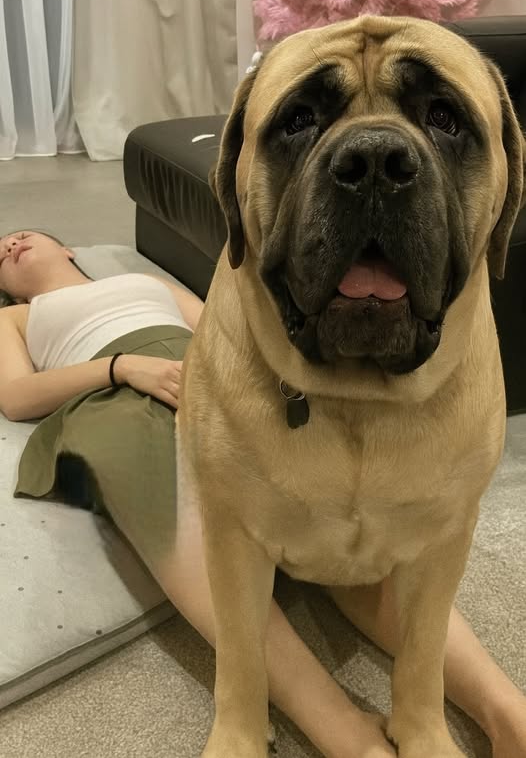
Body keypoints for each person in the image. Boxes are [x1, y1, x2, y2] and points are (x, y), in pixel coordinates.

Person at [0, 229, 524, 758]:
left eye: (22, 236)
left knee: (361, 530)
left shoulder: (138, 279)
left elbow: (222, 324)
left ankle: (505, 711)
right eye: (0, 251)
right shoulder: (16, 317)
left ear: (67, 248)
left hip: (197, 373)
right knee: (172, 497)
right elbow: (15, 396)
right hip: (107, 393)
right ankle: (341, 730)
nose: (11, 245)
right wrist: (125, 368)